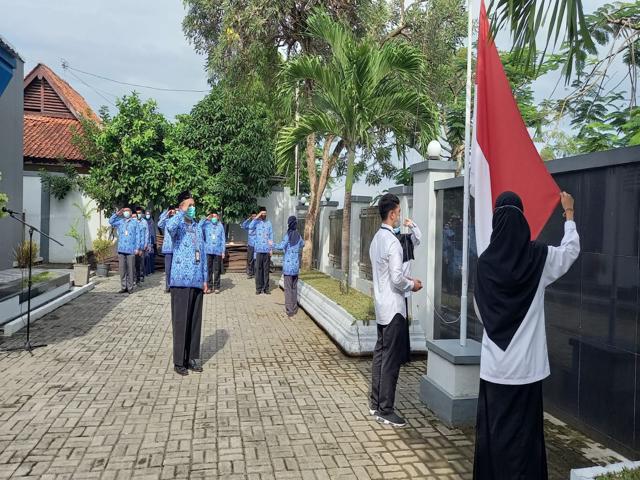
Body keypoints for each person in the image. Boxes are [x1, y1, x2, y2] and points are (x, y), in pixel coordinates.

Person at [473, 191, 579, 480]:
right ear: (522, 221)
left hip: (495, 370)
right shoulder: (539, 257)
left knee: (494, 439)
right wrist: (568, 215)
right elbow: (570, 251)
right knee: (524, 442)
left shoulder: (484, 264)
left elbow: (482, 313)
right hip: (527, 372)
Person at [369, 193, 422, 427]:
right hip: (394, 308)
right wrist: (413, 284)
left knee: (380, 356)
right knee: (390, 361)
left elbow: (387, 274)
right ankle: (386, 409)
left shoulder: (376, 239)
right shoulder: (392, 242)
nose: (400, 217)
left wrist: (403, 278)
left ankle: (375, 402)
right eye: (399, 213)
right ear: (392, 214)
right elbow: (397, 278)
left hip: (382, 306)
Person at [166, 191, 208, 376]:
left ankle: (191, 357)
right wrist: (180, 212)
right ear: (182, 206)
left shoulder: (198, 227)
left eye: (193, 205)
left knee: (194, 322)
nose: (193, 208)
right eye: (189, 205)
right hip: (181, 280)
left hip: (196, 280)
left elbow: (203, 253)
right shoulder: (178, 225)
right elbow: (168, 226)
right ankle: (179, 361)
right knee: (181, 321)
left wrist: (205, 279)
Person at [273, 216, 305, 316]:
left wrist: (272, 244)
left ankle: (289, 310)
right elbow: (303, 244)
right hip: (295, 267)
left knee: (287, 290)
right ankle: (294, 309)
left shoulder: (288, 235)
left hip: (287, 268)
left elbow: (280, 246)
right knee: (294, 288)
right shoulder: (298, 236)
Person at [395, 218, 422, 322]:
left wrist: (412, 225)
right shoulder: (386, 241)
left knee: (403, 319)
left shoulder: (406, 240)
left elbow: (418, 237)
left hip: (405, 289)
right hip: (392, 291)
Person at [109, 206, 140, 294]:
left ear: (130, 213)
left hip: (131, 249)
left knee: (130, 269)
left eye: (127, 211)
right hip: (121, 249)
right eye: (124, 211)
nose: (126, 212)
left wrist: (137, 248)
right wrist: (116, 214)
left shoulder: (135, 223)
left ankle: (130, 287)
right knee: (122, 269)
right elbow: (111, 221)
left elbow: (138, 236)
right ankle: (123, 287)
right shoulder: (120, 222)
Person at [250, 207, 273, 295]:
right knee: (258, 270)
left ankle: (266, 288)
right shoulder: (256, 223)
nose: (264, 215)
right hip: (258, 251)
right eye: (262, 213)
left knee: (266, 270)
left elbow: (271, 237)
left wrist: (271, 249)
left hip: (266, 250)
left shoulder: (269, 223)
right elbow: (250, 227)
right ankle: (258, 288)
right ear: (260, 214)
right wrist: (257, 217)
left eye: (265, 213)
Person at [202, 211, 226, 294]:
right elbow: (199, 228)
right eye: (213, 216)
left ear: (218, 217)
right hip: (208, 250)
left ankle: (217, 287)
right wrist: (206, 218)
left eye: (215, 216)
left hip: (218, 251)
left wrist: (223, 251)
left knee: (217, 270)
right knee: (208, 269)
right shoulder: (206, 225)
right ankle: (209, 286)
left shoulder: (221, 226)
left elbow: (223, 239)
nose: (214, 218)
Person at [158, 206, 176, 293]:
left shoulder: (178, 221)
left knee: (176, 269)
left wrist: (178, 213)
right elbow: (159, 224)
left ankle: (175, 286)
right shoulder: (166, 221)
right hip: (168, 249)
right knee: (168, 270)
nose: (172, 212)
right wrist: (166, 213)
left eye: (174, 211)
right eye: (171, 211)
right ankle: (168, 286)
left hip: (177, 249)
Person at [134, 207, 149, 285]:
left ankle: (141, 275)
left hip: (142, 245)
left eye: (140, 213)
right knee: (135, 262)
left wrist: (146, 244)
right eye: (137, 213)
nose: (138, 214)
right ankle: (136, 277)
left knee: (141, 262)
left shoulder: (144, 222)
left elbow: (147, 233)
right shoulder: (134, 221)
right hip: (135, 246)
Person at [241, 211, 257, 278]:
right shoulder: (249, 225)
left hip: (257, 245)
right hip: (250, 245)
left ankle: (256, 274)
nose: (254, 218)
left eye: (255, 216)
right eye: (252, 216)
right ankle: (250, 273)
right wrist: (248, 219)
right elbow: (243, 225)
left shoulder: (259, 224)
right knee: (250, 259)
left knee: (256, 259)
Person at [144, 209, 156, 275]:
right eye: (146, 214)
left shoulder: (152, 221)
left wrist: (154, 242)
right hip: (145, 241)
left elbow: (153, 232)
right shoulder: (144, 221)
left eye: (148, 214)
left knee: (151, 256)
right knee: (146, 256)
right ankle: (147, 271)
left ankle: (151, 270)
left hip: (151, 241)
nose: (147, 215)